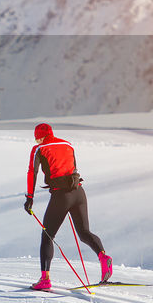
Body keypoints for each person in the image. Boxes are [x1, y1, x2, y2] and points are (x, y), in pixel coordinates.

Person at [23, 122, 112, 290]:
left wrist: (29, 197)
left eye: (37, 139)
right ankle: (103, 257)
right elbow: (72, 167)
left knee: (47, 236)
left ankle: (45, 280)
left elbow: (32, 172)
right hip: (79, 192)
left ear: (39, 137)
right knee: (84, 233)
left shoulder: (40, 149)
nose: (36, 142)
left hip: (61, 196)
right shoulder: (67, 144)